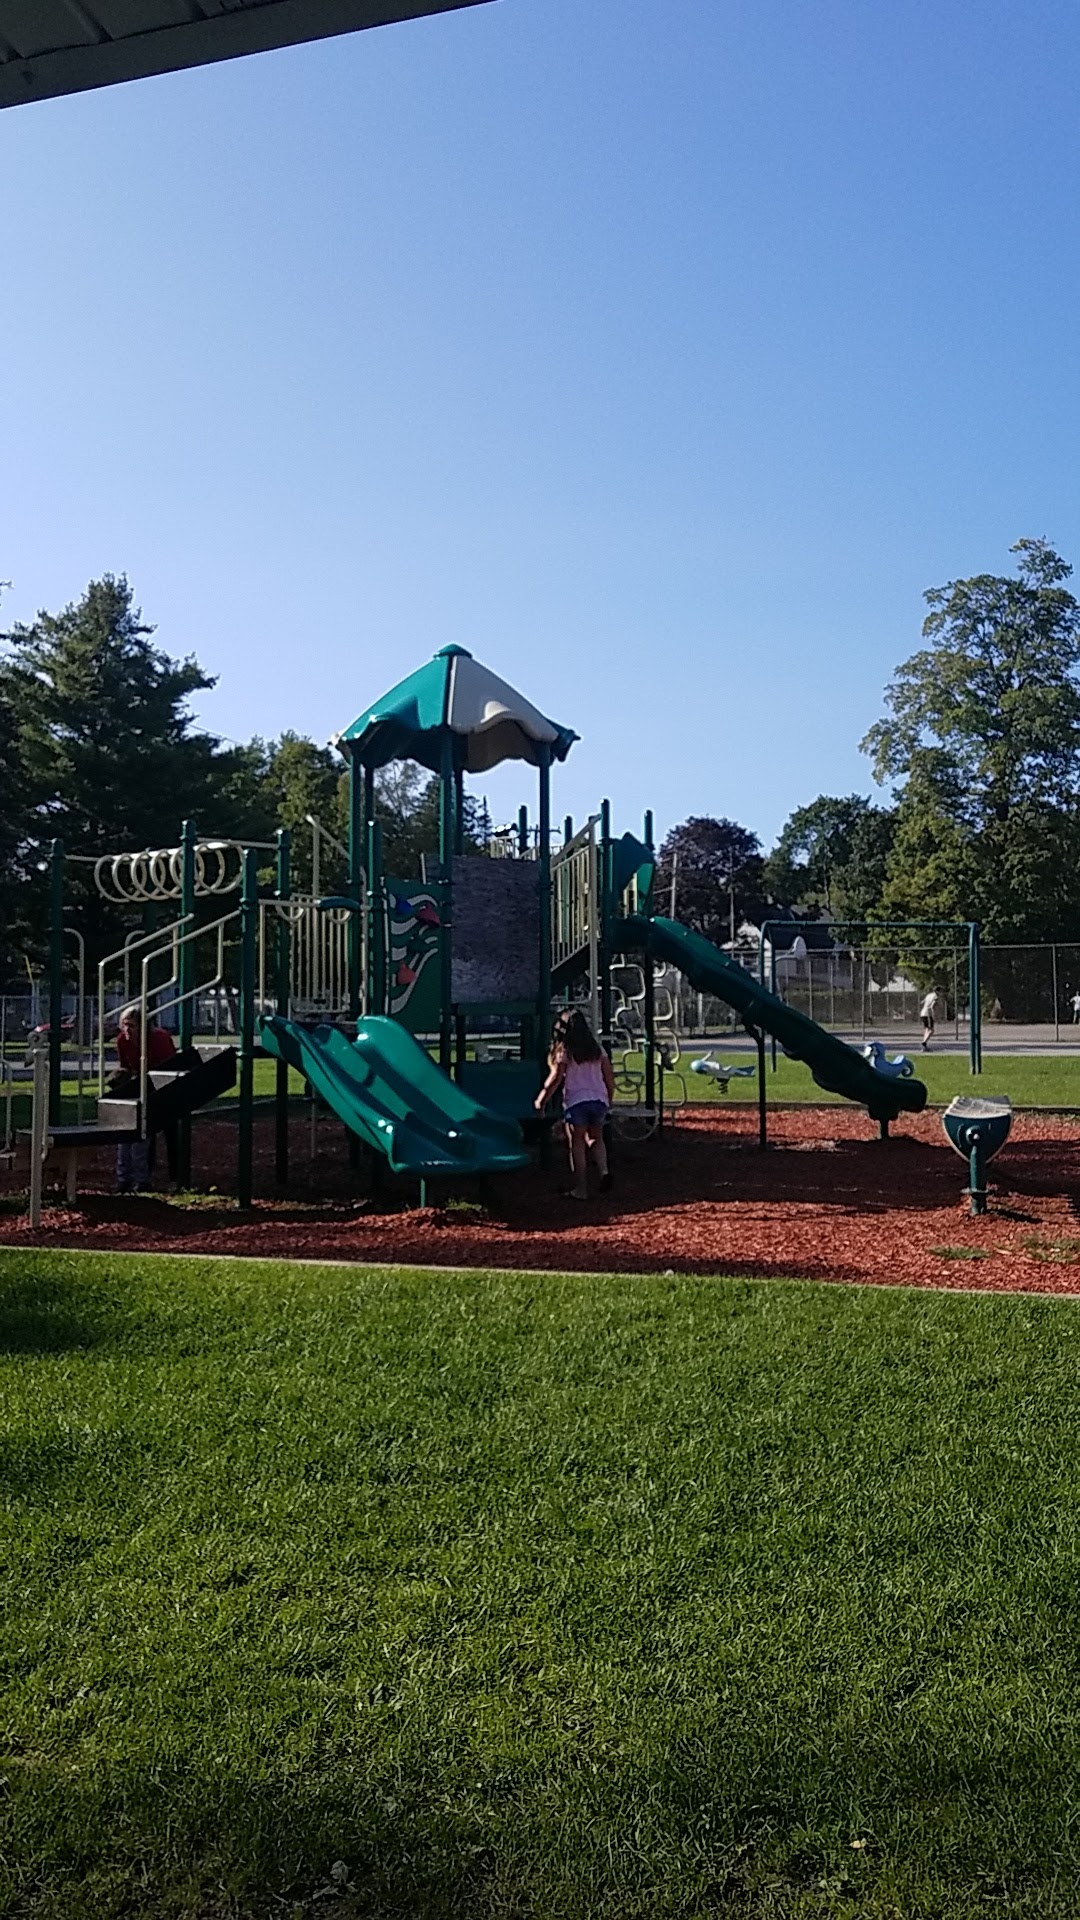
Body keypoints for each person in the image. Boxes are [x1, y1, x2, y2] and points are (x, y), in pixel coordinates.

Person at [535, 1008, 615, 1201]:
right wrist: (609, 1099)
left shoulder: (565, 1051)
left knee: (576, 1142)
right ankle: (604, 1171)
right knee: (596, 1137)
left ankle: (581, 1188)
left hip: (576, 1101)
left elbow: (555, 1079)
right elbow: (609, 1077)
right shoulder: (597, 1049)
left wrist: (542, 1100)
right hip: (599, 1100)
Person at [113, 1005, 177, 1192]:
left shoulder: (158, 1039)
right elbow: (126, 1066)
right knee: (140, 1132)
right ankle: (139, 1178)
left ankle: (175, 1177)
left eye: (131, 1025)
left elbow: (168, 1067)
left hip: (166, 1086)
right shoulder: (122, 1041)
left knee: (170, 1131)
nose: (126, 1030)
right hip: (141, 1084)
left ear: (143, 1026)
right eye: (124, 1025)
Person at [919, 986, 942, 1052]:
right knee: (931, 1030)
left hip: (923, 1013)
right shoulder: (936, 997)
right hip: (928, 1014)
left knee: (926, 1029)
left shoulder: (929, 995)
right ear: (938, 991)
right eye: (940, 992)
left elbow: (922, 1002)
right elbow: (932, 1006)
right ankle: (924, 1042)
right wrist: (933, 1014)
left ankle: (924, 1047)